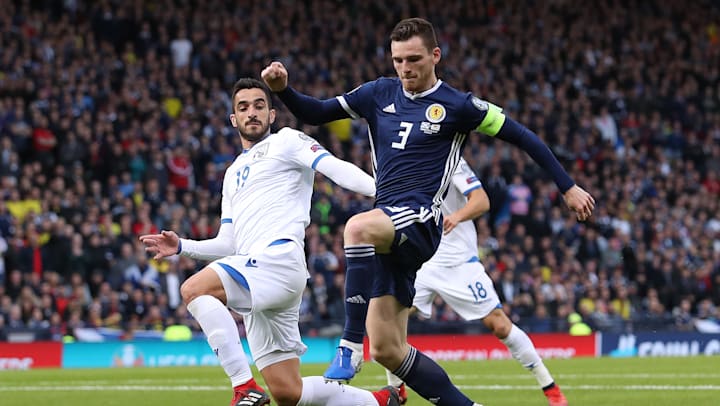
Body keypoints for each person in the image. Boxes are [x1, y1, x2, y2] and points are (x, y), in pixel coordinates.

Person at [262, 18, 594, 406]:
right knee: (387, 349)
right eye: (398, 60)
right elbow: (316, 112)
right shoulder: (377, 93)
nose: (405, 69)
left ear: (435, 55)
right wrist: (283, 90)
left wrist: (567, 187)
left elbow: (523, 136)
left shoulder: (459, 105)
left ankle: (349, 347)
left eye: (414, 59)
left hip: (420, 219)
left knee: (355, 229)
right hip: (389, 226)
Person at [139, 78, 399, 406]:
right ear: (233, 119)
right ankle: (382, 401)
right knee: (289, 392)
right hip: (255, 269)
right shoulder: (232, 173)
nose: (252, 112)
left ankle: (243, 387)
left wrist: (387, 195)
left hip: (278, 260)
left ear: (272, 114)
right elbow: (228, 243)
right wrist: (182, 247)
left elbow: (335, 169)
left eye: (259, 105)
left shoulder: (287, 141)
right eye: (243, 107)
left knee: (193, 289)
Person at [373, 158, 568, 405]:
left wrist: (456, 216)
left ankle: (550, 387)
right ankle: (396, 389)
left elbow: (481, 201)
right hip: (422, 260)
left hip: (460, 263)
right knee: (389, 321)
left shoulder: (450, 160)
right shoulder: (401, 159)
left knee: (499, 325)